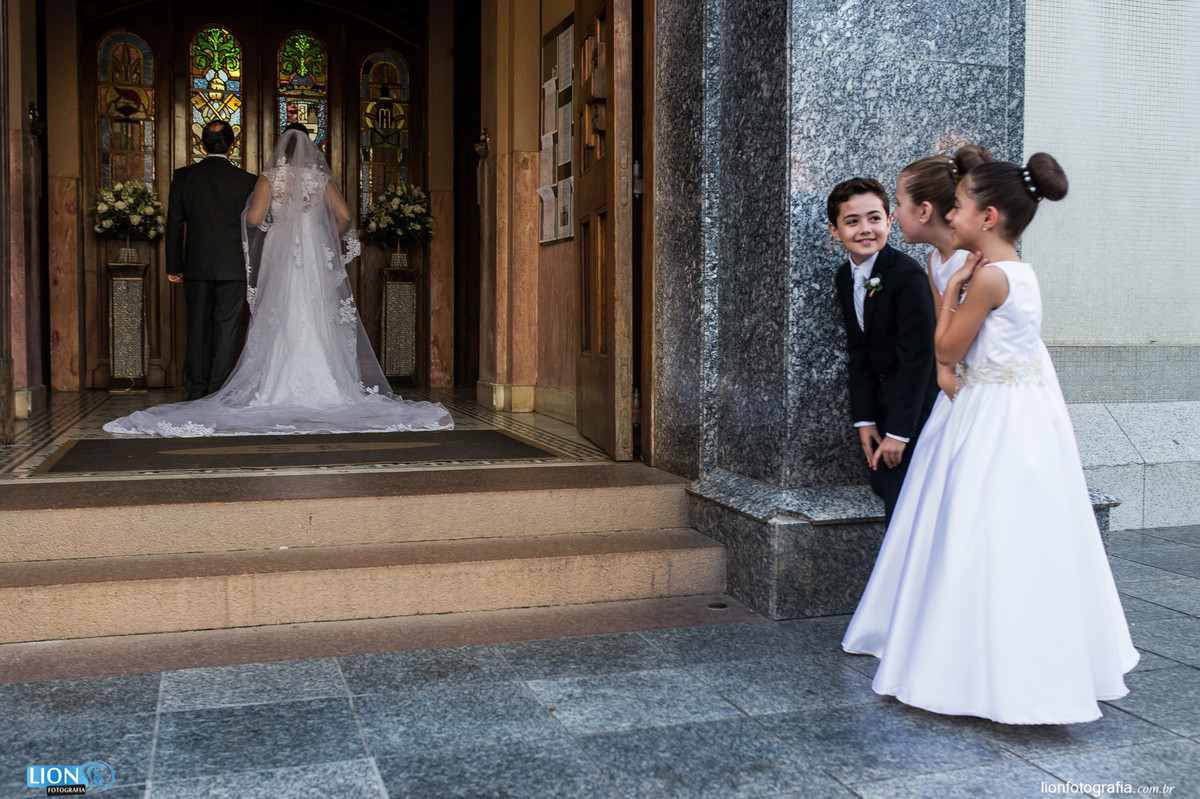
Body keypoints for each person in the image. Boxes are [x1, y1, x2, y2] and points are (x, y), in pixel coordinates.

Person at [842, 153, 1138, 724]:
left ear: (989, 215)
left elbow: (946, 349)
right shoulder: (1017, 271)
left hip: (989, 411)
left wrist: (953, 301)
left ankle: (960, 655)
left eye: (962, 206)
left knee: (973, 519)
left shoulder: (987, 277)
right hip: (1016, 407)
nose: (954, 214)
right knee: (1005, 521)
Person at [105, 125, 453, 436]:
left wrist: (269, 224)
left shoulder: (270, 178)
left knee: (279, 312)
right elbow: (345, 217)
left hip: (279, 252)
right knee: (314, 313)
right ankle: (325, 385)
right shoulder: (320, 180)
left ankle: (250, 385)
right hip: (312, 256)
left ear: (280, 150)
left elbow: (254, 217)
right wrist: (323, 238)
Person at [829, 177, 939, 523]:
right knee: (888, 489)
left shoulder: (908, 276)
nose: (865, 229)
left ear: (890, 222)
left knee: (906, 504)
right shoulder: (845, 278)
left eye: (874, 218)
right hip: (882, 411)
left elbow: (919, 359)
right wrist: (864, 419)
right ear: (835, 231)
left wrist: (898, 432)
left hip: (918, 414)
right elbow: (859, 350)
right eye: (852, 221)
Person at [165, 120, 260, 400]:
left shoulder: (184, 177)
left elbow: (174, 224)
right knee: (228, 329)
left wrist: (173, 266)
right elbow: (254, 228)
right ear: (232, 146)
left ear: (200, 144)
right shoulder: (247, 181)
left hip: (196, 265)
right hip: (233, 266)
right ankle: (219, 390)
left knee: (197, 328)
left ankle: (196, 389)